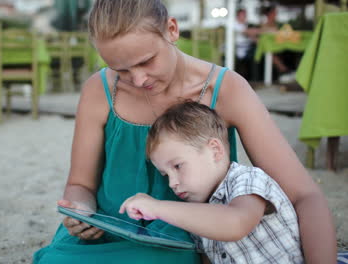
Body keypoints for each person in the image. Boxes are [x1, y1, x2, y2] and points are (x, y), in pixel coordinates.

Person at [33, 0, 336, 263]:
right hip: (107, 232)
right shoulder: (99, 90)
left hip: (180, 239)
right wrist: (81, 211)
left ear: (172, 30)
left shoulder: (226, 90)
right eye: (120, 70)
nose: (137, 80)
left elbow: (304, 195)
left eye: (146, 61)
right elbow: (80, 185)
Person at [120, 101, 304, 263]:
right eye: (165, 175)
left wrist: (157, 208)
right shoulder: (199, 212)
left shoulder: (248, 179)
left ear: (215, 150)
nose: (172, 183)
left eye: (177, 166)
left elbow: (236, 223)